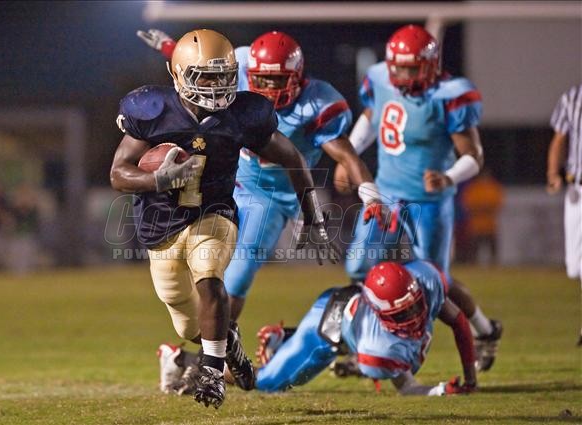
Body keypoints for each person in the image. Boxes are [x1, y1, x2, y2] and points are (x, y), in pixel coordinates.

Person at [110, 29, 339, 408]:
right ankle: (226, 342)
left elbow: (292, 158)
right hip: (160, 224)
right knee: (185, 319)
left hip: (214, 212)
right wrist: (158, 180)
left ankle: (212, 373)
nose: (216, 87)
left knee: (211, 277)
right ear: (179, 75)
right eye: (205, 77)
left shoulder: (243, 114)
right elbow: (119, 173)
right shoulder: (152, 110)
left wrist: (313, 216)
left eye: (223, 77)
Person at [138, 29, 380, 321]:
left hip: (288, 191)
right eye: (262, 79)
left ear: (298, 77)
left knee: (235, 271)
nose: (268, 87)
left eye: (278, 80)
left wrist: (370, 195)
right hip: (244, 183)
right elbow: (200, 66)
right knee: (221, 270)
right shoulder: (236, 70)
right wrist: (170, 47)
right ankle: (216, 343)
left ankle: (217, 341)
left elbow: (345, 154)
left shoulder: (316, 103)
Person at [337, 24, 502, 371]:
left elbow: (474, 156)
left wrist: (449, 176)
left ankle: (485, 330)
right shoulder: (380, 78)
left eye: (410, 69)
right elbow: (371, 117)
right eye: (397, 67)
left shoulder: (449, 95)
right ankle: (365, 341)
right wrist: (348, 155)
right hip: (386, 194)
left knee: (435, 282)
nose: (400, 76)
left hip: (429, 202)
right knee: (359, 266)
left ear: (429, 66)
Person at [159, 219, 477, 396]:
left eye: (412, 307)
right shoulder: (377, 345)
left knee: (360, 351)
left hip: (352, 315)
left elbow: (459, 323)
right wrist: (441, 391)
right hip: (329, 325)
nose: (413, 317)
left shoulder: (426, 284)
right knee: (263, 382)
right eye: (401, 314)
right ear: (380, 313)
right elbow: (406, 387)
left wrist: (470, 378)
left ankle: (281, 338)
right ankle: (179, 359)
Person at [545, 84, 582, 346]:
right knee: (575, 266)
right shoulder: (573, 97)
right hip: (577, 190)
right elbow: (559, 138)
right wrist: (553, 174)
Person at [461, 168, 505, 265]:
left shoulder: (494, 187)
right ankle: (473, 264)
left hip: (490, 224)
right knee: (474, 248)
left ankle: (494, 265)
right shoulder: (473, 188)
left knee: (492, 247)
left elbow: (498, 201)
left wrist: (486, 207)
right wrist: (482, 207)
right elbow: (468, 202)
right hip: (476, 225)